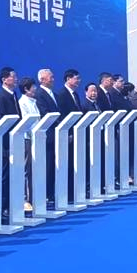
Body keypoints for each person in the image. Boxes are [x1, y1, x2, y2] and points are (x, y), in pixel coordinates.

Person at [0, 67, 20, 214]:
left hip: (16, 139)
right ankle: (4, 207)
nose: (16, 79)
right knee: (5, 175)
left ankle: (12, 204)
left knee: (14, 174)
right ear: (4, 80)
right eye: (13, 77)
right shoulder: (1, 96)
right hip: (5, 142)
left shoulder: (13, 94)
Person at [55, 69, 83, 201]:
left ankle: (75, 191)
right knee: (68, 164)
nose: (78, 81)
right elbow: (63, 116)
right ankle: (67, 193)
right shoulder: (61, 95)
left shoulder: (75, 94)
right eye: (76, 78)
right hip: (67, 135)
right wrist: (68, 133)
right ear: (68, 79)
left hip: (77, 133)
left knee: (75, 163)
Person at [35, 68, 60, 206]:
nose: (53, 79)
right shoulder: (39, 94)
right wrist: (59, 123)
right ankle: (46, 194)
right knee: (48, 166)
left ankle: (52, 193)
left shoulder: (54, 94)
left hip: (58, 134)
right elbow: (45, 114)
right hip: (48, 135)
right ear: (42, 79)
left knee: (55, 166)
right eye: (50, 77)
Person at [18, 77, 39, 210]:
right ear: (26, 89)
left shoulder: (33, 102)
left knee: (34, 169)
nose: (35, 89)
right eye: (33, 87)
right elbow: (26, 123)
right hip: (27, 139)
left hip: (37, 139)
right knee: (26, 169)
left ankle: (34, 197)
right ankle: (25, 199)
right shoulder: (22, 103)